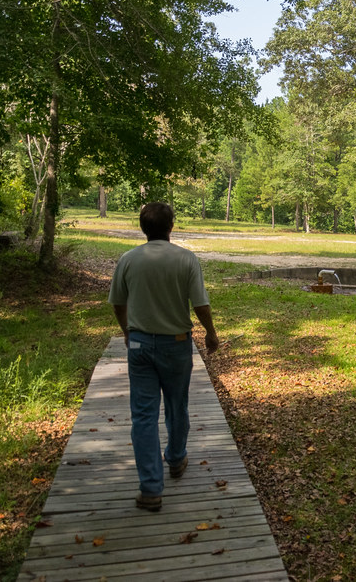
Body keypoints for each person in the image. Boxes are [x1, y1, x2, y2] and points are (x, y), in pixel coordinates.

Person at [108, 202, 219, 511]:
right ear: (172, 226)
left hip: (140, 346)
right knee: (176, 405)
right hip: (177, 344)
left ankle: (151, 488)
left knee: (143, 415)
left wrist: (128, 331)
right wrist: (211, 332)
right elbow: (200, 304)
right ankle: (176, 457)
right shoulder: (186, 259)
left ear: (143, 228)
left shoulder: (128, 260)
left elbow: (117, 302)